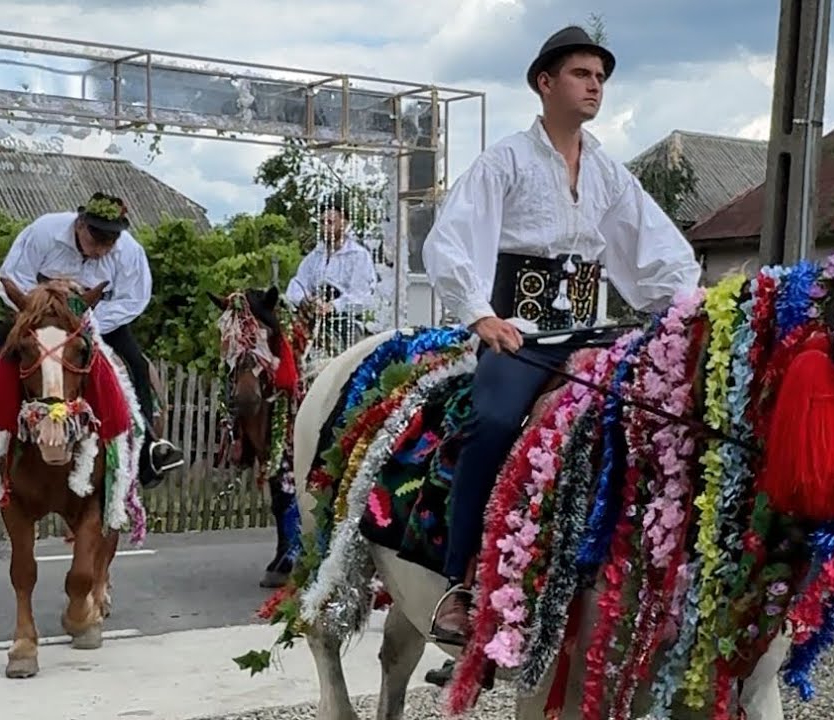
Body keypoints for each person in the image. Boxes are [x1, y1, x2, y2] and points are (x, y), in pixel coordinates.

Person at [422, 26, 703, 646]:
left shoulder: (608, 172)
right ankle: (458, 580)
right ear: (545, 83)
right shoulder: (506, 161)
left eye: (601, 76)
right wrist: (479, 314)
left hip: (593, 333)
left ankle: (651, 575)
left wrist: (687, 309)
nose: (595, 85)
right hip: (520, 336)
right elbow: (448, 241)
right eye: (582, 74)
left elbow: (657, 250)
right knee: (493, 424)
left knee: (655, 420)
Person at [0, 192, 185, 489]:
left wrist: (87, 322)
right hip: (38, 314)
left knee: (136, 364)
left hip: (99, 318)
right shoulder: (43, 231)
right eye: (96, 238)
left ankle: (149, 450)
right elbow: (10, 277)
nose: (101, 249)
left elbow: (134, 298)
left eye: (109, 242)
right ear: (80, 224)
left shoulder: (129, 251)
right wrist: (42, 303)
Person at [284, 193, 379, 345]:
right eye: (322, 222)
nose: (325, 227)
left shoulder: (359, 255)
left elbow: (362, 295)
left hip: (346, 326)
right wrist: (306, 300)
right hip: (314, 323)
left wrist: (333, 306)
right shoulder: (315, 256)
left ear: (344, 223)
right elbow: (297, 283)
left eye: (330, 222)